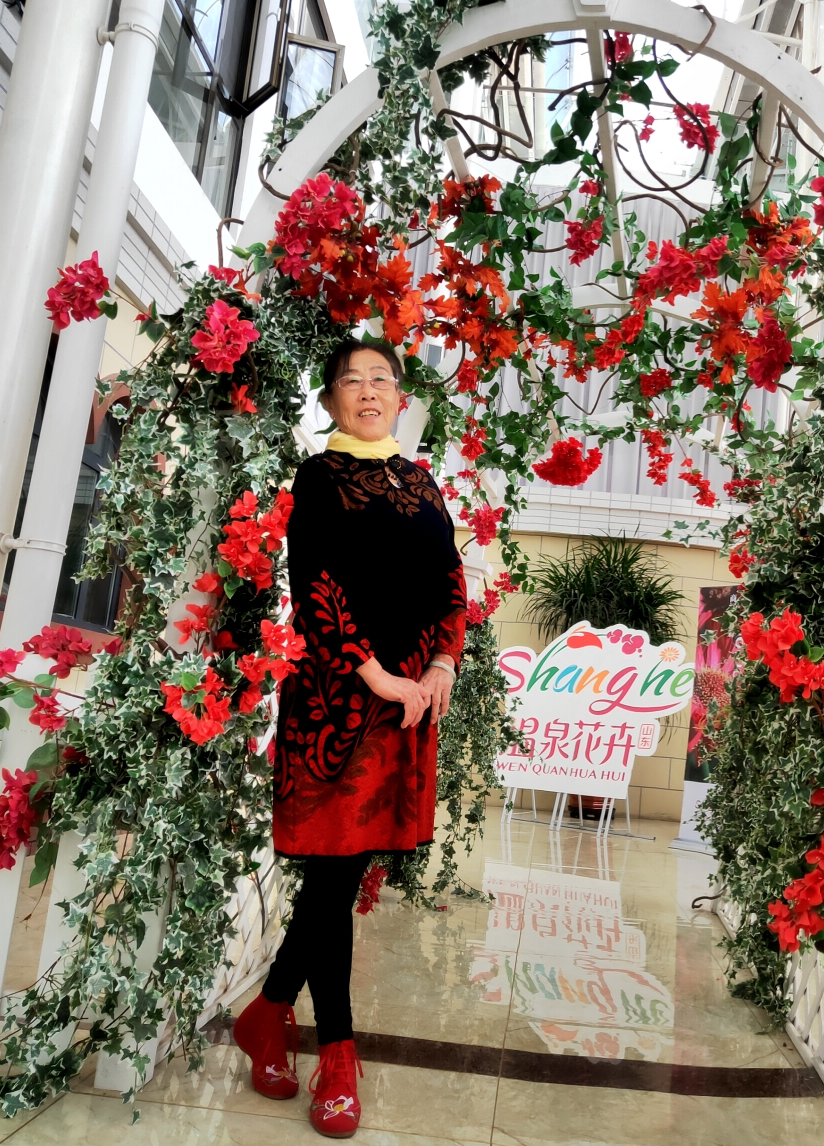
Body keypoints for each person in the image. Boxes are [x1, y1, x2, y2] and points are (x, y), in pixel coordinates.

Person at [234, 338, 466, 1139]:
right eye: (350, 381)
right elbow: (318, 587)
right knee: (333, 877)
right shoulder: (318, 477)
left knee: (339, 878)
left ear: (402, 397)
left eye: (381, 380)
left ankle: (267, 1014)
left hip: (408, 708)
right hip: (340, 701)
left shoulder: (424, 481)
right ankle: (335, 1050)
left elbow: (451, 587)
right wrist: (382, 677)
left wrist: (438, 666)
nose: (367, 391)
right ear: (330, 401)